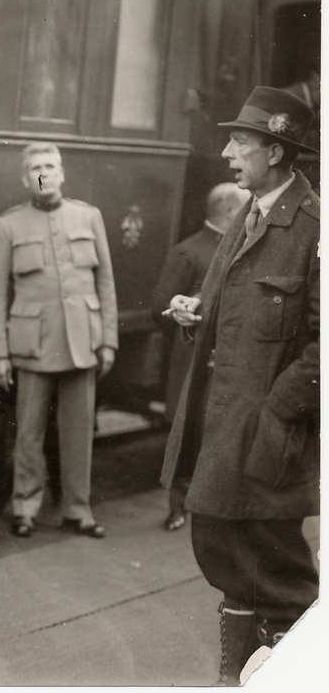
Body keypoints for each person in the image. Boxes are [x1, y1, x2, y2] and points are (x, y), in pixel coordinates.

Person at [161, 86, 319, 686]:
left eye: (240, 142)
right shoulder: (248, 215)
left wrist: (278, 411)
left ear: (274, 152)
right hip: (223, 426)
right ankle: (237, 677)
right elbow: (234, 309)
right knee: (221, 546)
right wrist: (193, 312)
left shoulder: (313, 226)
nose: (227, 153)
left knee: (274, 568)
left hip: (267, 436)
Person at [0, 142, 117, 539]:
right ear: (25, 178)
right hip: (34, 343)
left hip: (82, 341)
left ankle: (78, 510)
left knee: (79, 432)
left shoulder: (89, 216)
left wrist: (108, 340)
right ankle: (25, 507)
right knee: (28, 433)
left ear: (62, 172)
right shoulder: (9, 224)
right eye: (35, 167)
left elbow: (106, 284)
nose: (44, 173)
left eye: (50, 165)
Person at [151, 182, 249, 532]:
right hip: (193, 359)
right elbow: (159, 307)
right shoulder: (188, 251)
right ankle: (178, 508)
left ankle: (212, 508)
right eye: (245, 205)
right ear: (229, 211)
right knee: (188, 433)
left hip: (231, 359)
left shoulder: (244, 244)